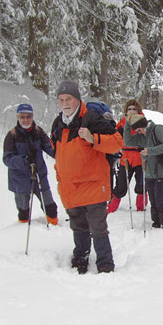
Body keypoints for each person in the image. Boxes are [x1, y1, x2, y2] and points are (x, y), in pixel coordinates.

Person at [51, 80, 123, 274]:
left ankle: (105, 263)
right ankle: (80, 257)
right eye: (61, 99)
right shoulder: (58, 123)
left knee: (98, 227)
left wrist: (93, 139)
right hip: (70, 188)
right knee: (78, 226)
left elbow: (117, 143)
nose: (65, 103)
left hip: (93, 185)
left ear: (78, 99)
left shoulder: (91, 119)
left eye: (69, 99)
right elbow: (58, 153)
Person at [3, 103, 58, 225]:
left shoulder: (38, 132)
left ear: (32, 117)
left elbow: (51, 149)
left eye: (28, 117)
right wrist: (25, 159)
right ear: (18, 117)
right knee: (23, 211)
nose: (26, 120)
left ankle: (54, 226)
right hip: (20, 179)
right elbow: (7, 159)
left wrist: (62, 153)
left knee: (50, 207)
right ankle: (22, 230)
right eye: (23, 117)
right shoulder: (12, 135)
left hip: (39, 176)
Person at [127, 114, 163, 229]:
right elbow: (127, 141)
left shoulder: (157, 129)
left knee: (162, 202)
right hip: (149, 173)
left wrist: (150, 151)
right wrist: (127, 122)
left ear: (143, 125)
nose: (138, 132)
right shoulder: (143, 136)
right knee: (153, 202)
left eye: (138, 129)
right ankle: (157, 223)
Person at [108, 100, 146, 213]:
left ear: (138, 111)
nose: (132, 111)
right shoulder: (121, 124)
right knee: (121, 186)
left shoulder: (144, 122)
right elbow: (115, 139)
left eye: (134, 109)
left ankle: (141, 207)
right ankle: (111, 208)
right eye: (129, 109)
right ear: (126, 111)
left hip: (140, 157)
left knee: (141, 185)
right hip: (126, 157)